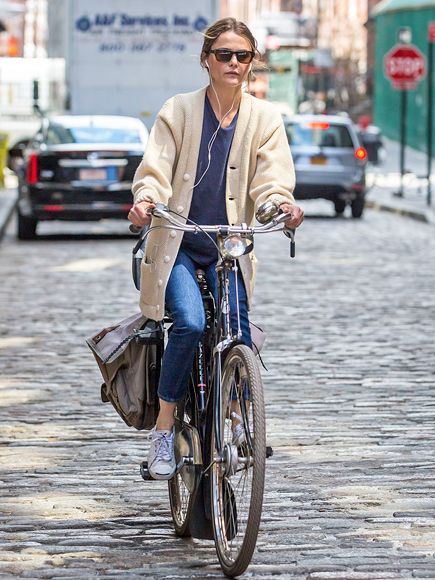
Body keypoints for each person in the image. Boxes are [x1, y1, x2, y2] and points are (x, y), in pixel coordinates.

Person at [128, 17, 304, 480]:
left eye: (242, 55)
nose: (233, 63)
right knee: (188, 323)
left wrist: (280, 204)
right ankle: (164, 427)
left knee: (239, 334)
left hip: (230, 246)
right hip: (179, 244)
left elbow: (271, 179)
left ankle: (233, 416)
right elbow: (157, 167)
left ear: (252, 63)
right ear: (206, 60)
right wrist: (146, 199)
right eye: (224, 54)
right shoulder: (179, 111)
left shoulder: (265, 119)